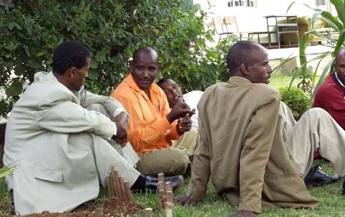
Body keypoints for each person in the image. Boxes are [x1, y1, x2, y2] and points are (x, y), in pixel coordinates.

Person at [176, 41, 345, 217]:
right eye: (264, 64)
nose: (270, 69)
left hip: (227, 180)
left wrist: (195, 193)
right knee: (317, 115)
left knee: (283, 108)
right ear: (245, 68)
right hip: (267, 180)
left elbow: (203, 148)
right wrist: (249, 206)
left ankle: (318, 172)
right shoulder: (264, 95)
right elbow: (255, 152)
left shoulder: (211, 93)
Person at [3, 41, 148, 215]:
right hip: (28, 165)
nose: (86, 78)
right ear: (72, 72)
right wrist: (117, 129)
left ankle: (131, 172)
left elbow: (104, 100)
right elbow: (88, 121)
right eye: (85, 74)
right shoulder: (47, 96)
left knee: (98, 108)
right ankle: (137, 183)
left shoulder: (61, 84)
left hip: (43, 150)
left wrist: (121, 116)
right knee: (87, 134)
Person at [112, 48, 194, 176]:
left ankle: (190, 161)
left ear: (158, 69)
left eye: (151, 69)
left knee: (194, 136)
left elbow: (169, 131)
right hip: (137, 157)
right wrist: (170, 117)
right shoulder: (124, 95)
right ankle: (191, 161)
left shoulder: (156, 90)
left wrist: (179, 128)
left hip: (162, 147)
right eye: (140, 68)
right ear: (131, 67)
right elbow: (135, 143)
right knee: (179, 158)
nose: (145, 74)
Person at [157, 78, 202, 156]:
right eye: (167, 92)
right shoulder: (162, 115)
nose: (175, 93)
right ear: (161, 98)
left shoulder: (195, 96)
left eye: (174, 87)